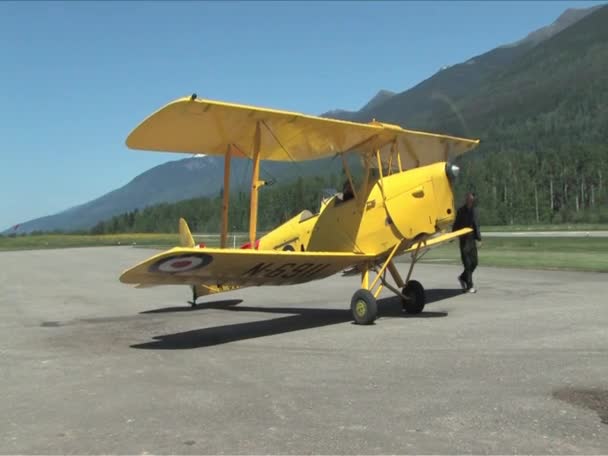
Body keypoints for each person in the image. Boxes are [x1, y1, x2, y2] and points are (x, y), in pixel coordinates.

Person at [452, 192, 482, 293]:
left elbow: (476, 226)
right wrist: (453, 236)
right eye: (468, 198)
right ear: (466, 199)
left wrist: (479, 239)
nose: (469, 200)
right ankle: (470, 286)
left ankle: (462, 277)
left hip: (472, 240)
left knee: (475, 263)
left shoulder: (474, 211)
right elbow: (456, 224)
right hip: (464, 240)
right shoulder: (461, 211)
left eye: (471, 199)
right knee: (467, 264)